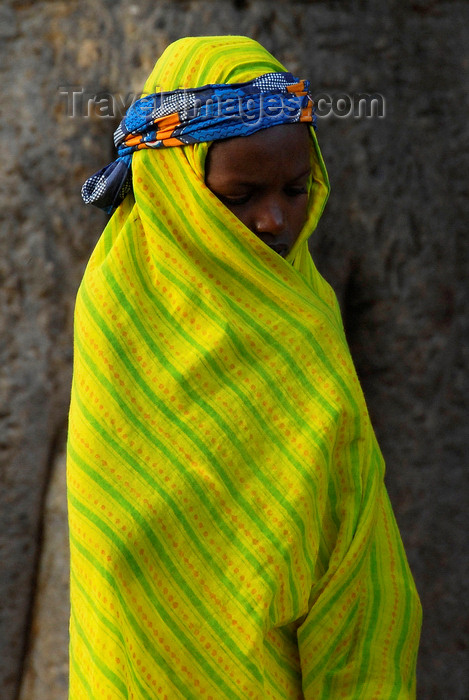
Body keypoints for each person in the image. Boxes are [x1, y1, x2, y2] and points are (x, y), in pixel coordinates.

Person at [68, 35, 421, 699]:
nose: (273, 219)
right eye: (238, 196)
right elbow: (115, 552)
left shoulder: (300, 317)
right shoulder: (116, 310)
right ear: (174, 187)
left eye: (295, 189)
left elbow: (348, 536)